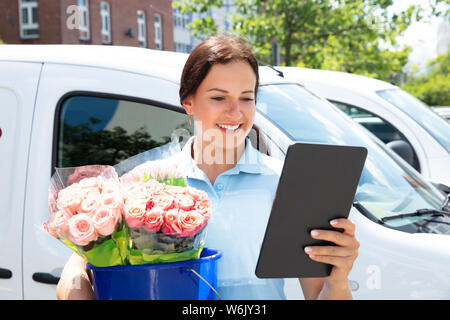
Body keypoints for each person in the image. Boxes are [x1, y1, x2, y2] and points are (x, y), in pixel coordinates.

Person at [56, 35, 360, 300]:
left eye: (246, 98)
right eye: (218, 97)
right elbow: (81, 265)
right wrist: (76, 278)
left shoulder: (287, 184)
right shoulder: (145, 182)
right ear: (188, 102)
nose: (235, 111)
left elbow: (320, 295)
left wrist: (339, 276)